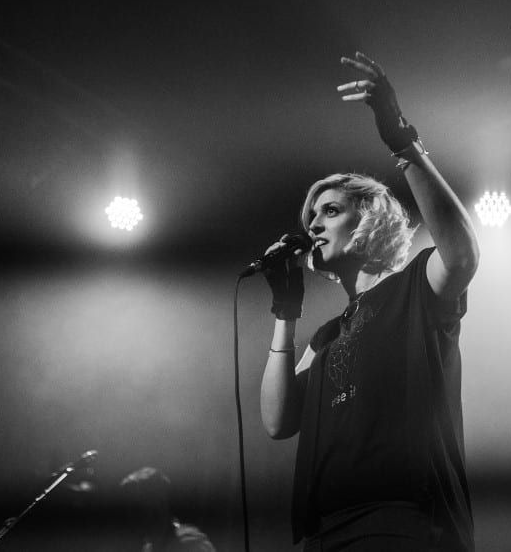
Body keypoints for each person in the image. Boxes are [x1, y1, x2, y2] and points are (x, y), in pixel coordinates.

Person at [259, 52, 480, 551]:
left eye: (330, 211)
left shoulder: (415, 288)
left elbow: (462, 256)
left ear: (370, 218)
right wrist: (285, 313)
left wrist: (402, 141)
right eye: (311, 216)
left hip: (404, 524)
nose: (313, 225)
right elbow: (278, 421)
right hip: (327, 533)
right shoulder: (326, 336)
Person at [116, 466, 216, 552]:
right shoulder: (149, 548)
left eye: (136, 508)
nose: (130, 515)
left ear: (157, 507)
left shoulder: (190, 545)